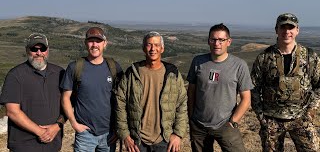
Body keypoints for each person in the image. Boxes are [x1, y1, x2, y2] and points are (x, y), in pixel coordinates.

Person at [251, 13, 320, 151]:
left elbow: (319, 86)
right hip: (272, 119)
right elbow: (253, 88)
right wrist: (261, 117)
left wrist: (311, 111)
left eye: (291, 28)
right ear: (276, 30)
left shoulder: (310, 57)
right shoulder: (264, 58)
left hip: (301, 117)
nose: (287, 32)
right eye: (283, 27)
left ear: (297, 30)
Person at [116, 31, 188, 152]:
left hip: (164, 140)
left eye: (156, 45)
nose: (153, 48)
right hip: (137, 140)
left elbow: (182, 104)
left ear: (162, 48)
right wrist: (125, 135)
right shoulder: (132, 73)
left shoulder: (172, 74)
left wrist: (178, 134)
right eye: (149, 45)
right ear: (144, 48)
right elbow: (120, 104)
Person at [187, 23, 253, 152]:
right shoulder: (198, 62)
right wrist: (191, 118)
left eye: (221, 40)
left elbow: (246, 99)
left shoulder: (239, 65)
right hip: (199, 125)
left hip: (225, 124)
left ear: (229, 42)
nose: (217, 43)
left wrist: (233, 121)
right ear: (208, 41)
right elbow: (191, 92)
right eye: (213, 39)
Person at [0, 33, 66, 152]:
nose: (39, 53)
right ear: (27, 50)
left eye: (43, 49)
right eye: (34, 49)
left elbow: (67, 105)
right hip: (23, 146)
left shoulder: (60, 73)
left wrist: (57, 126)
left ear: (48, 50)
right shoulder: (15, 75)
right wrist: (41, 132)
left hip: (53, 145)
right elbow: (12, 111)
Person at [60, 27, 123, 152]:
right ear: (85, 43)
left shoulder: (114, 67)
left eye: (98, 41)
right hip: (85, 134)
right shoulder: (75, 67)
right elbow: (65, 97)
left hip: (109, 133)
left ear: (105, 44)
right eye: (91, 41)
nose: (94, 45)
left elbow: (122, 99)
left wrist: (118, 129)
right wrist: (74, 123)